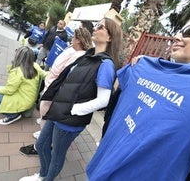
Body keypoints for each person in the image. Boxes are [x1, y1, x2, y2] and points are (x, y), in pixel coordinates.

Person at [86, 11, 190, 181]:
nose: (177, 36)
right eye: (178, 31)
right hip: (99, 168)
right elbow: (112, 112)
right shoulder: (144, 67)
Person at [19, 17, 123, 181]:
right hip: (59, 110)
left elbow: (103, 100)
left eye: (100, 27)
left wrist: (74, 109)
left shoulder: (105, 64)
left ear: (110, 37)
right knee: (41, 145)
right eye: (96, 25)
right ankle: (42, 175)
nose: (95, 28)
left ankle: (45, 178)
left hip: (69, 119)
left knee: (57, 155)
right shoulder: (88, 55)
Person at [19, 27, 93, 156]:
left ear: (79, 40)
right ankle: (43, 135)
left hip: (55, 84)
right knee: (45, 110)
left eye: (74, 37)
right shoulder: (73, 49)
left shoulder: (79, 54)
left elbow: (66, 71)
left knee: (46, 109)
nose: (72, 39)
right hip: (52, 81)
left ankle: (43, 140)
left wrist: (54, 83)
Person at [0, 46, 47, 125]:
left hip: (20, 100)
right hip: (28, 100)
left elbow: (9, 91)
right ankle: (13, 110)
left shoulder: (18, 71)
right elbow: (45, 74)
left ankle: (12, 115)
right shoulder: (35, 65)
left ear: (18, 56)